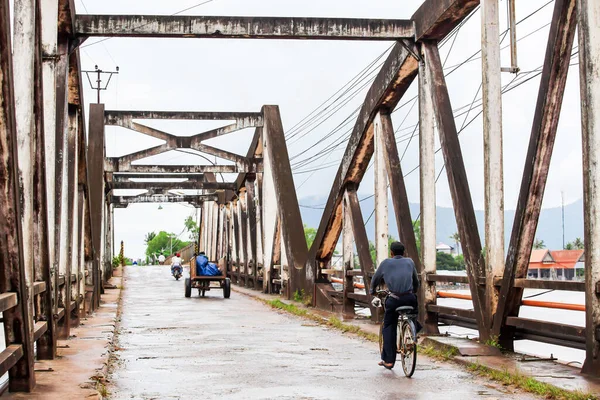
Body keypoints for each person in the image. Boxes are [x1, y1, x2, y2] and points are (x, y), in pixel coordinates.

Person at [370, 241, 420, 370]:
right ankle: (413, 329)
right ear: (404, 252)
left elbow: (375, 279)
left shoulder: (386, 263)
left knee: (389, 325)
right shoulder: (410, 262)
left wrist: (372, 291)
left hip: (394, 299)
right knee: (414, 313)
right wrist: (412, 292)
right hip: (410, 298)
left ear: (391, 253)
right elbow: (416, 282)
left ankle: (389, 360)